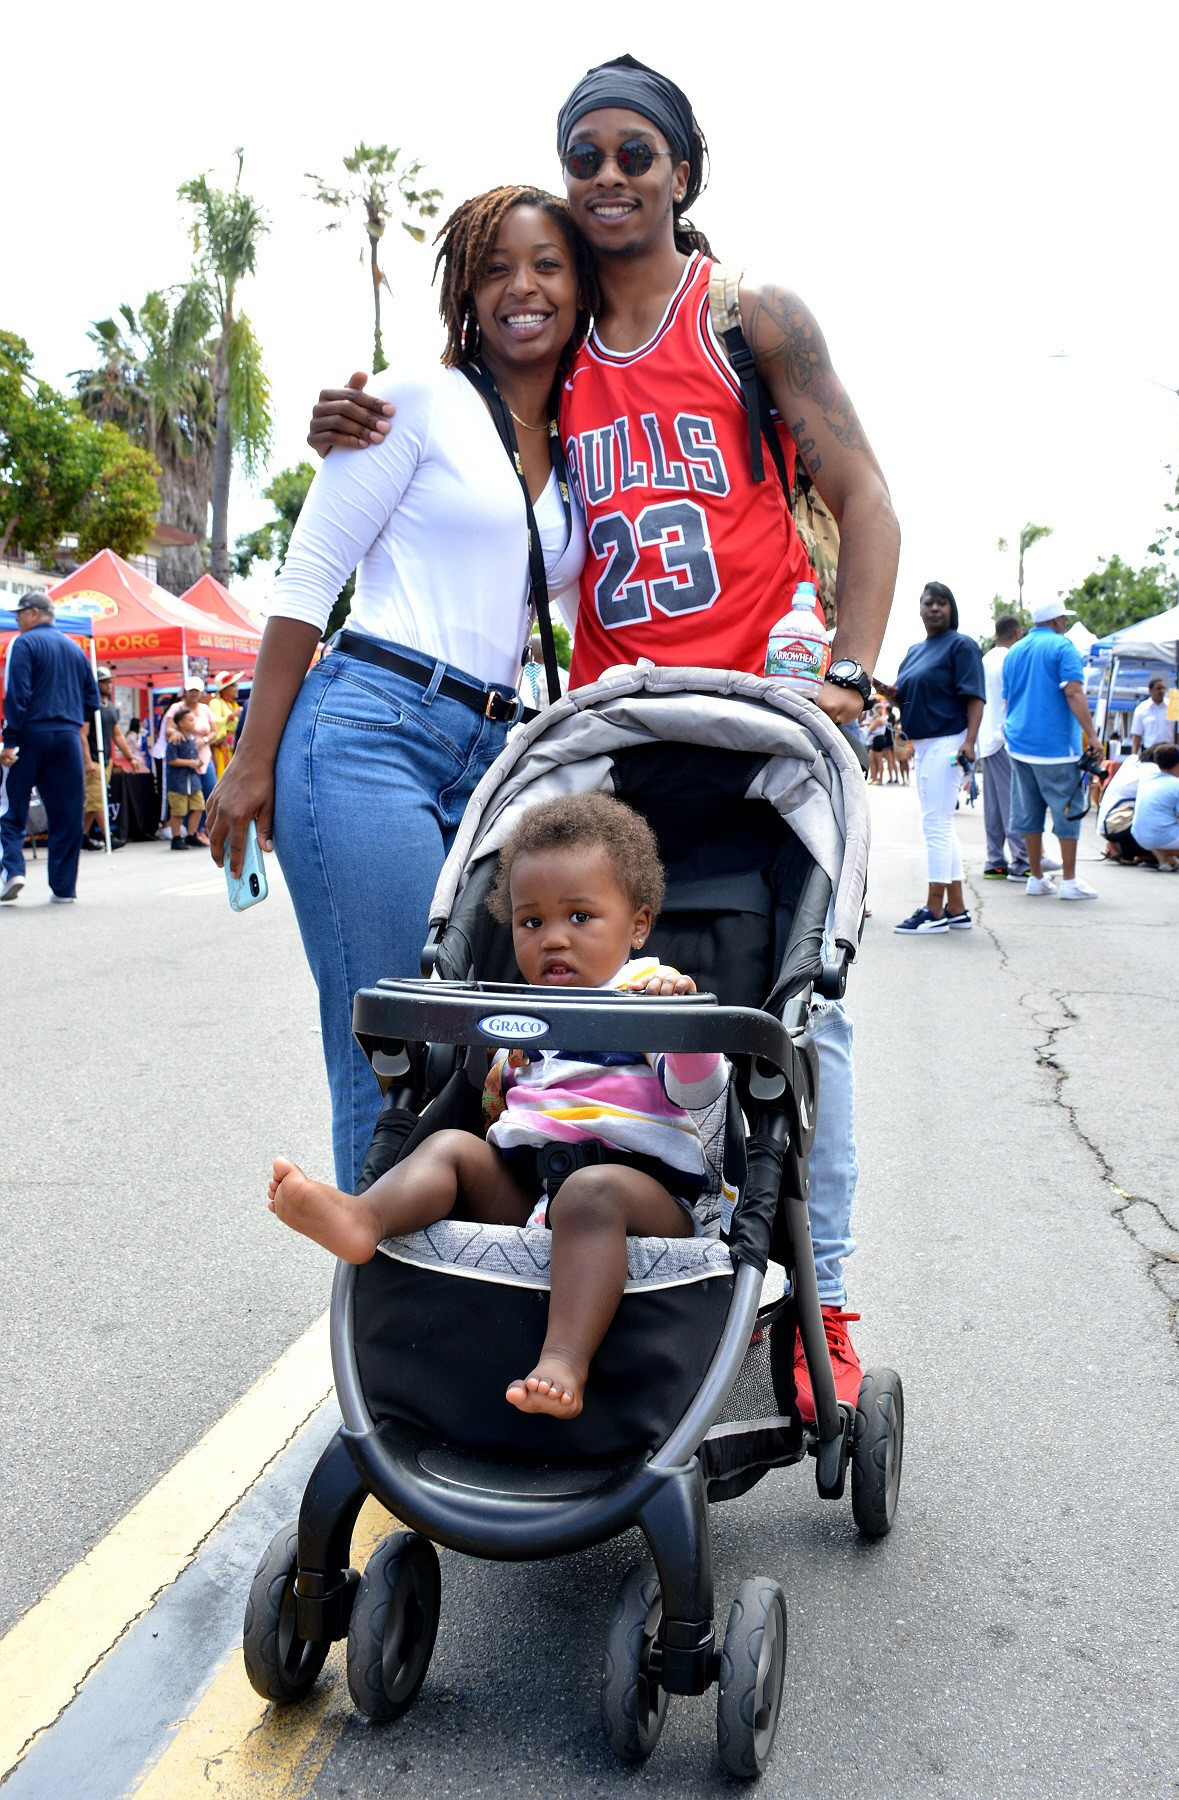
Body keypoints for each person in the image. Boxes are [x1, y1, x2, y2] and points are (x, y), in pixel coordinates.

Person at [305, 54, 901, 1414]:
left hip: (759, 722)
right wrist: (348, 417)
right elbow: (457, 413)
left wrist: (853, 676)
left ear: (684, 170)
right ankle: (543, 1246)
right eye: (586, 156)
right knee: (578, 998)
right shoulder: (562, 341)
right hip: (618, 735)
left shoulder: (751, 316)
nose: (610, 176)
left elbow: (865, 497)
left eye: (637, 152)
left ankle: (825, 1301)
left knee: (803, 1017)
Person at [208, 186, 593, 1193]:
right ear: (465, 290)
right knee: (393, 1050)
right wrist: (252, 762)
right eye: (496, 268)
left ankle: (448, 1267)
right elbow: (307, 578)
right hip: (369, 731)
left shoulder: (581, 437)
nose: (521, 287)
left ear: (581, 284)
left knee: (486, 1051)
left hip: (495, 759)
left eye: (547, 265)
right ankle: (375, 1289)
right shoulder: (414, 400)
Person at [269, 795, 726, 1420]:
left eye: (581, 917)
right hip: (531, 1191)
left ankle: (563, 1360)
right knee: (453, 1149)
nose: (554, 938)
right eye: (530, 922)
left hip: (639, 1198)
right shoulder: (518, 1014)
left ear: (637, 925)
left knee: (590, 1193)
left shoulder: (645, 994)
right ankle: (364, 1217)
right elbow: (497, 1111)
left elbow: (700, 1092)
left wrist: (681, 1024)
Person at [872, 583, 985, 934]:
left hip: (949, 740)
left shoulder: (962, 645)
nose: (934, 608)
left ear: (952, 608)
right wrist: (888, 692)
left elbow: (975, 697)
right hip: (923, 744)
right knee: (940, 825)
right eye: (928, 603)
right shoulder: (914, 651)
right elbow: (905, 695)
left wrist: (970, 742)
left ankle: (934, 910)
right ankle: (957, 908)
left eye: (942, 603)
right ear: (919, 609)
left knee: (935, 825)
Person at [0, 592, 101, 904]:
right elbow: (92, 700)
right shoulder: (75, 648)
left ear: (33, 613)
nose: (17, 621)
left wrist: (9, 740)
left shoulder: (23, 643)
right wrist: (73, 726)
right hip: (68, 736)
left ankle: (12, 870)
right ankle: (63, 888)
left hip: (31, 733)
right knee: (67, 813)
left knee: (11, 807)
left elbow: (16, 693)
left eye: (19, 615)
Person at [1002, 599, 1106, 900]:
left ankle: (1036, 877)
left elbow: (1008, 698)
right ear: (1057, 620)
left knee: (1029, 812)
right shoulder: (1063, 647)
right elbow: (1073, 691)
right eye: (1063, 618)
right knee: (1067, 813)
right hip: (1056, 746)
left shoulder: (1014, 651)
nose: (1065, 623)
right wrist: (1093, 737)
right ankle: (1069, 881)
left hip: (1019, 744)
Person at [978, 614, 1032, 880]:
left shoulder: (985, 660)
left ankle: (995, 860)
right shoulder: (1010, 659)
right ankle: (1023, 860)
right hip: (1004, 738)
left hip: (987, 739)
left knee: (994, 806)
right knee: (1013, 802)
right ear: (1017, 633)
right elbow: (1014, 700)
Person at [81, 664, 144, 849]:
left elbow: (117, 735)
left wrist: (130, 757)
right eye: (104, 682)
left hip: (106, 760)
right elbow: (82, 735)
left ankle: (82, 836)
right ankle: (108, 836)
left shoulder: (110, 708)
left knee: (94, 800)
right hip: (93, 758)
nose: (109, 685)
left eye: (110, 681)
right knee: (97, 799)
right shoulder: (89, 706)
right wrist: (87, 761)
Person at [1131, 743, 1179, 867]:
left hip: (1138, 835)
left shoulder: (1146, 780)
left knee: (1170, 823)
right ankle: (1165, 852)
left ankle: (1167, 858)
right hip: (1160, 836)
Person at [164, 706, 206, 849]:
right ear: (181, 723)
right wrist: (190, 763)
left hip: (192, 780)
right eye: (190, 720)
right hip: (178, 781)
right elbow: (171, 759)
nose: (194, 722)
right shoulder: (175, 739)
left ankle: (191, 835)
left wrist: (197, 762)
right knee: (178, 811)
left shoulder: (192, 739)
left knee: (199, 806)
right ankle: (176, 838)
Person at [207, 672, 245, 779]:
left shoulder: (233, 704)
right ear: (225, 689)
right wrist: (231, 716)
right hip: (223, 748)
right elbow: (213, 722)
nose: (237, 688)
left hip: (233, 746)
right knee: (224, 777)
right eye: (234, 685)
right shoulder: (216, 703)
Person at [1131, 677, 1173, 753]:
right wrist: (1134, 754)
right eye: (1158, 688)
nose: (1161, 691)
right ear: (1150, 691)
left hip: (1169, 751)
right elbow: (1137, 734)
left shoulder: (1172, 706)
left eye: (1163, 688)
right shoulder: (1142, 709)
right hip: (1150, 752)